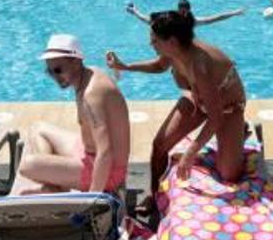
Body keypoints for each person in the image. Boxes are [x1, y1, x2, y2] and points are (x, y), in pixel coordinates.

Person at [106, 11, 248, 219]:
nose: (150, 44)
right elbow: (160, 65)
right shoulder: (174, 51)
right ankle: (155, 196)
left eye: (154, 40)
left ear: (171, 41)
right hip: (197, 100)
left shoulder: (199, 63)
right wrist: (125, 67)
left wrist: (191, 153)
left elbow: (216, 116)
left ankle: (240, 131)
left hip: (227, 109)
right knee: (160, 145)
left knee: (229, 174)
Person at [14, 35, 131, 195]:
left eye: (58, 70)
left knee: (27, 165)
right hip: (85, 151)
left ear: (75, 61)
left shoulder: (91, 94)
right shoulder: (91, 74)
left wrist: (92, 198)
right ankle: (53, 184)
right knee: (38, 128)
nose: (55, 77)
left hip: (107, 172)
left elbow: (105, 152)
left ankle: (52, 185)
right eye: (50, 72)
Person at [126, 0, 243, 26]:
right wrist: (135, 11)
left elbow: (215, 18)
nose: (183, 14)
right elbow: (147, 20)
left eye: (185, 11)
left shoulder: (192, 21)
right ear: (177, 10)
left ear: (189, 10)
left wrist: (233, 13)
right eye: (181, 11)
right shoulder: (168, 18)